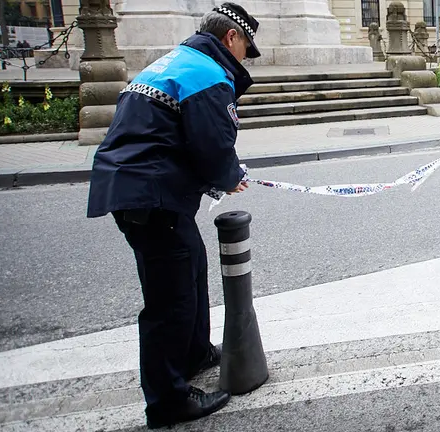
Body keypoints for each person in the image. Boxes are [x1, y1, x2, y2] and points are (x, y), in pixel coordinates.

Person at [86, 2, 260, 429]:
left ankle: (194, 353)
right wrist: (228, 175)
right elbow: (211, 143)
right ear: (230, 38)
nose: (244, 58)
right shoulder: (206, 73)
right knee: (170, 301)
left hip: (142, 187)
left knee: (191, 267)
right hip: (151, 193)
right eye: (245, 48)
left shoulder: (177, 62)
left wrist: (219, 173)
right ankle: (167, 401)